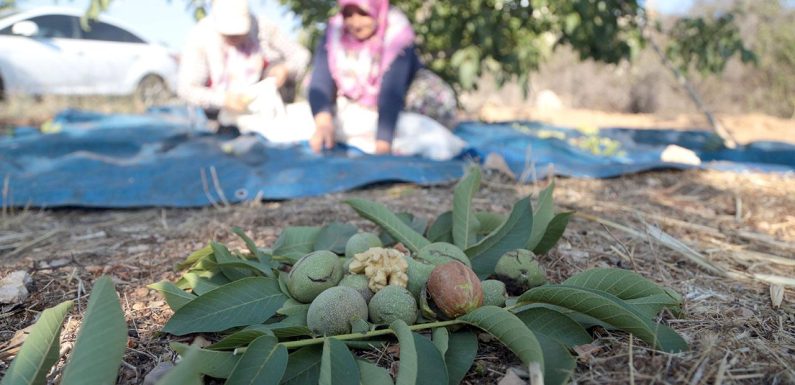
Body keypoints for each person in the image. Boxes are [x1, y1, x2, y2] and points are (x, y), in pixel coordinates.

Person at [308, 0, 463, 160]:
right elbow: (320, 81)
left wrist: (382, 148)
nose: (355, 22)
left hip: (407, 98)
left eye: (363, 13)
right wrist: (323, 124)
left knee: (421, 128)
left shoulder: (396, 32)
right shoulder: (335, 32)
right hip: (368, 106)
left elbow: (392, 92)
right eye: (348, 14)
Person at [178, 0, 310, 130]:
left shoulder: (263, 27)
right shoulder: (200, 37)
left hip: (265, 108)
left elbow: (301, 55)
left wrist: (286, 69)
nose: (234, 37)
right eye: (228, 34)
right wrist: (223, 100)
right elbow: (186, 89)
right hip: (221, 112)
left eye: (238, 33)